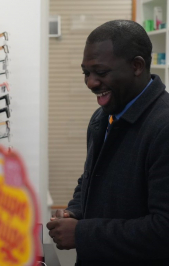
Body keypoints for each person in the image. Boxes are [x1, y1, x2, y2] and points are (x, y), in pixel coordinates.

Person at [47, 20, 169, 266]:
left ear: (136, 66)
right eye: (86, 73)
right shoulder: (102, 118)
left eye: (100, 73)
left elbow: (164, 230)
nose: (91, 83)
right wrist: (75, 211)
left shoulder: (163, 126)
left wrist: (81, 233)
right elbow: (91, 179)